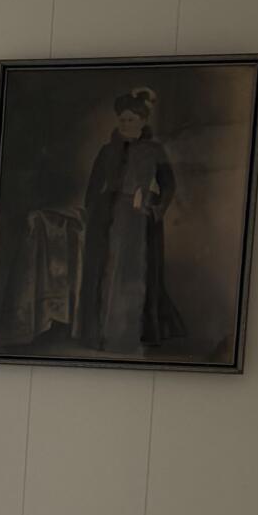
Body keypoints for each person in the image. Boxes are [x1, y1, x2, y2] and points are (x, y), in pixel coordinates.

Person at [77, 87, 182, 355]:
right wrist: (91, 212)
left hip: (140, 218)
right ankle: (98, 334)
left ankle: (130, 334)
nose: (126, 124)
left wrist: (154, 207)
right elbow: (93, 186)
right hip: (107, 218)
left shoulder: (154, 150)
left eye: (131, 120)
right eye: (122, 120)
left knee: (135, 274)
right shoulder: (106, 150)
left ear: (143, 122)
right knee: (104, 271)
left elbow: (168, 185)